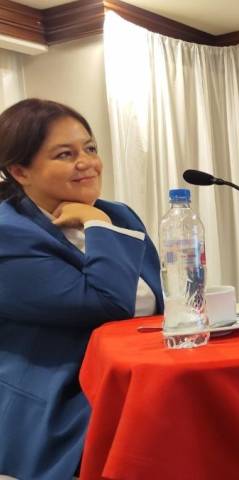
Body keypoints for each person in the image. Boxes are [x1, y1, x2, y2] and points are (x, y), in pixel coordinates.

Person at [0, 99, 163, 479]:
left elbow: (161, 302)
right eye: (65, 154)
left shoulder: (118, 213)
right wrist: (97, 223)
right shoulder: (7, 235)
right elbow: (106, 305)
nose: (87, 162)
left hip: (137, 378)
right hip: (64, 398)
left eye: (90, 148)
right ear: (20, 171)